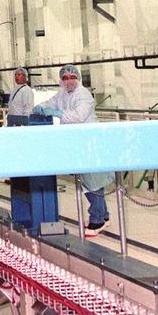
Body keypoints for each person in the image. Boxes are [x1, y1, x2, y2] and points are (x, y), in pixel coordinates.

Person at [34, 64, 112, 237]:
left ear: (78, 78)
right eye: (65, 78)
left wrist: (56, 113)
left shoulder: (83, 95)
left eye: (72, 77)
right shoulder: (62, 93)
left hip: (90, 142)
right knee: (88, 180)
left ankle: (97, 220)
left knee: (93, 181)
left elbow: (78, 116)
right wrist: (40, 107)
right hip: (77, 142)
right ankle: (104, 216)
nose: (69, 80)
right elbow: (51, 102)